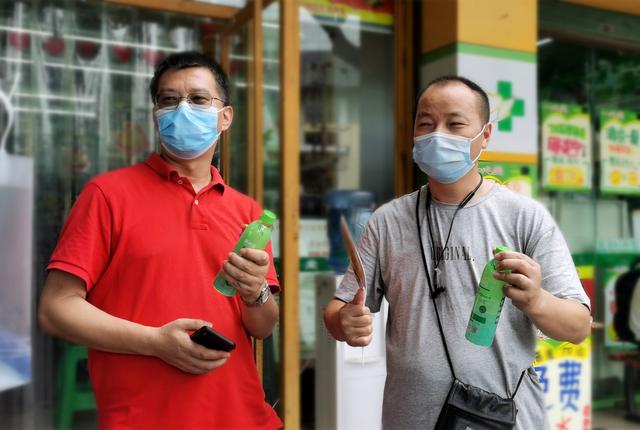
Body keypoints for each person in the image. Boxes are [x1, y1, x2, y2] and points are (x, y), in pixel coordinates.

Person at [324, 76, 591, 429]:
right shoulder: (387, 221)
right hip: (409, 419)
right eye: (426, 123)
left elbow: (578, 326)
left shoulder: (524, 217)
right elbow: (339, 308)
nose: (437, 134)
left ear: (485, 135)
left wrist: (536, 301)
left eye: (455, 123)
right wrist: (343, 321)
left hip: (504, 417)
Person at [38, 51, 282, 429]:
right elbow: (56, 309)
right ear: (156, 114)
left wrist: (256, 294)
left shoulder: (249, 214)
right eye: (169, 100)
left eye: (199, 99)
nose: (183, 109)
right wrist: (155, 342)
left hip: (244, 417)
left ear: (226, 117)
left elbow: (262, 327)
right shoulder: (107, 195)